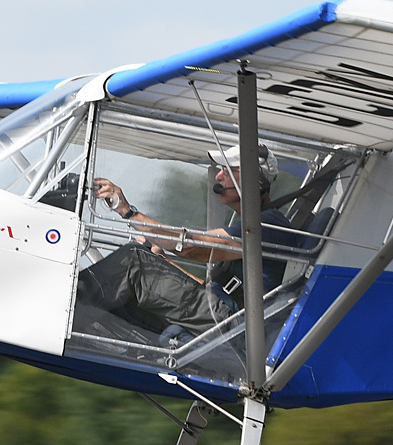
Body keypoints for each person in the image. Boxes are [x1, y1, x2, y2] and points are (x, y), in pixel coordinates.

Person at [76, 145, 291, 344]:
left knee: (135, 261)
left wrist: (128, 212)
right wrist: (162, 262)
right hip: (226, 312)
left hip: (237, 324)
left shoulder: (267, 223)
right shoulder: (252, 222)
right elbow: (210, 287)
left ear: (255, 182)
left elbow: (194, 248)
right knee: (145, 262)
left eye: (228, 170)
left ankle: (67, 307)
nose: (219, 175)